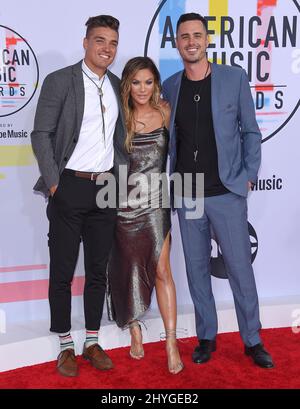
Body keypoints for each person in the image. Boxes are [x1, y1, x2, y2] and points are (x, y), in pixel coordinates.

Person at [162, 13, 274, 368]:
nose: (190, 41)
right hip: (186, 192)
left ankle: (253, 339)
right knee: (196, 269)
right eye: (184, 36)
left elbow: (250, 132)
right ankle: (206, 336)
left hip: (226, 192)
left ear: (207, 40)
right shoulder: (170, 86)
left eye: (197, 35)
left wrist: (249, 176)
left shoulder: (233, 78)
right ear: (176, 42)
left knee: (240, 268)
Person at [31, 15, 129, 377]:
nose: (107, 48)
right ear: (86, 42)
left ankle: (91, 341)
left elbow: (123, 139)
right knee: (62, 269)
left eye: (113, 43)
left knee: (98, 271)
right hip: (69, 185)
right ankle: (65, 345)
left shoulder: (119, 85)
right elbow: (41, 134)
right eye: (100, 40)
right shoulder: (60, 82)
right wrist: (56, 183)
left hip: (106, 187)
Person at [107, 56, 184, 374]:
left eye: (148, 82)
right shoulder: (118, 115)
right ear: (127, 84)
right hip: (122, 203)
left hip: (156, 202)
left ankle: (171, 342)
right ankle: (134, 327)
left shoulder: (166, 111)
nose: (142, 88)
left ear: (156, 84)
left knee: (163, 269)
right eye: (135, 82)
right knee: (126, 269)